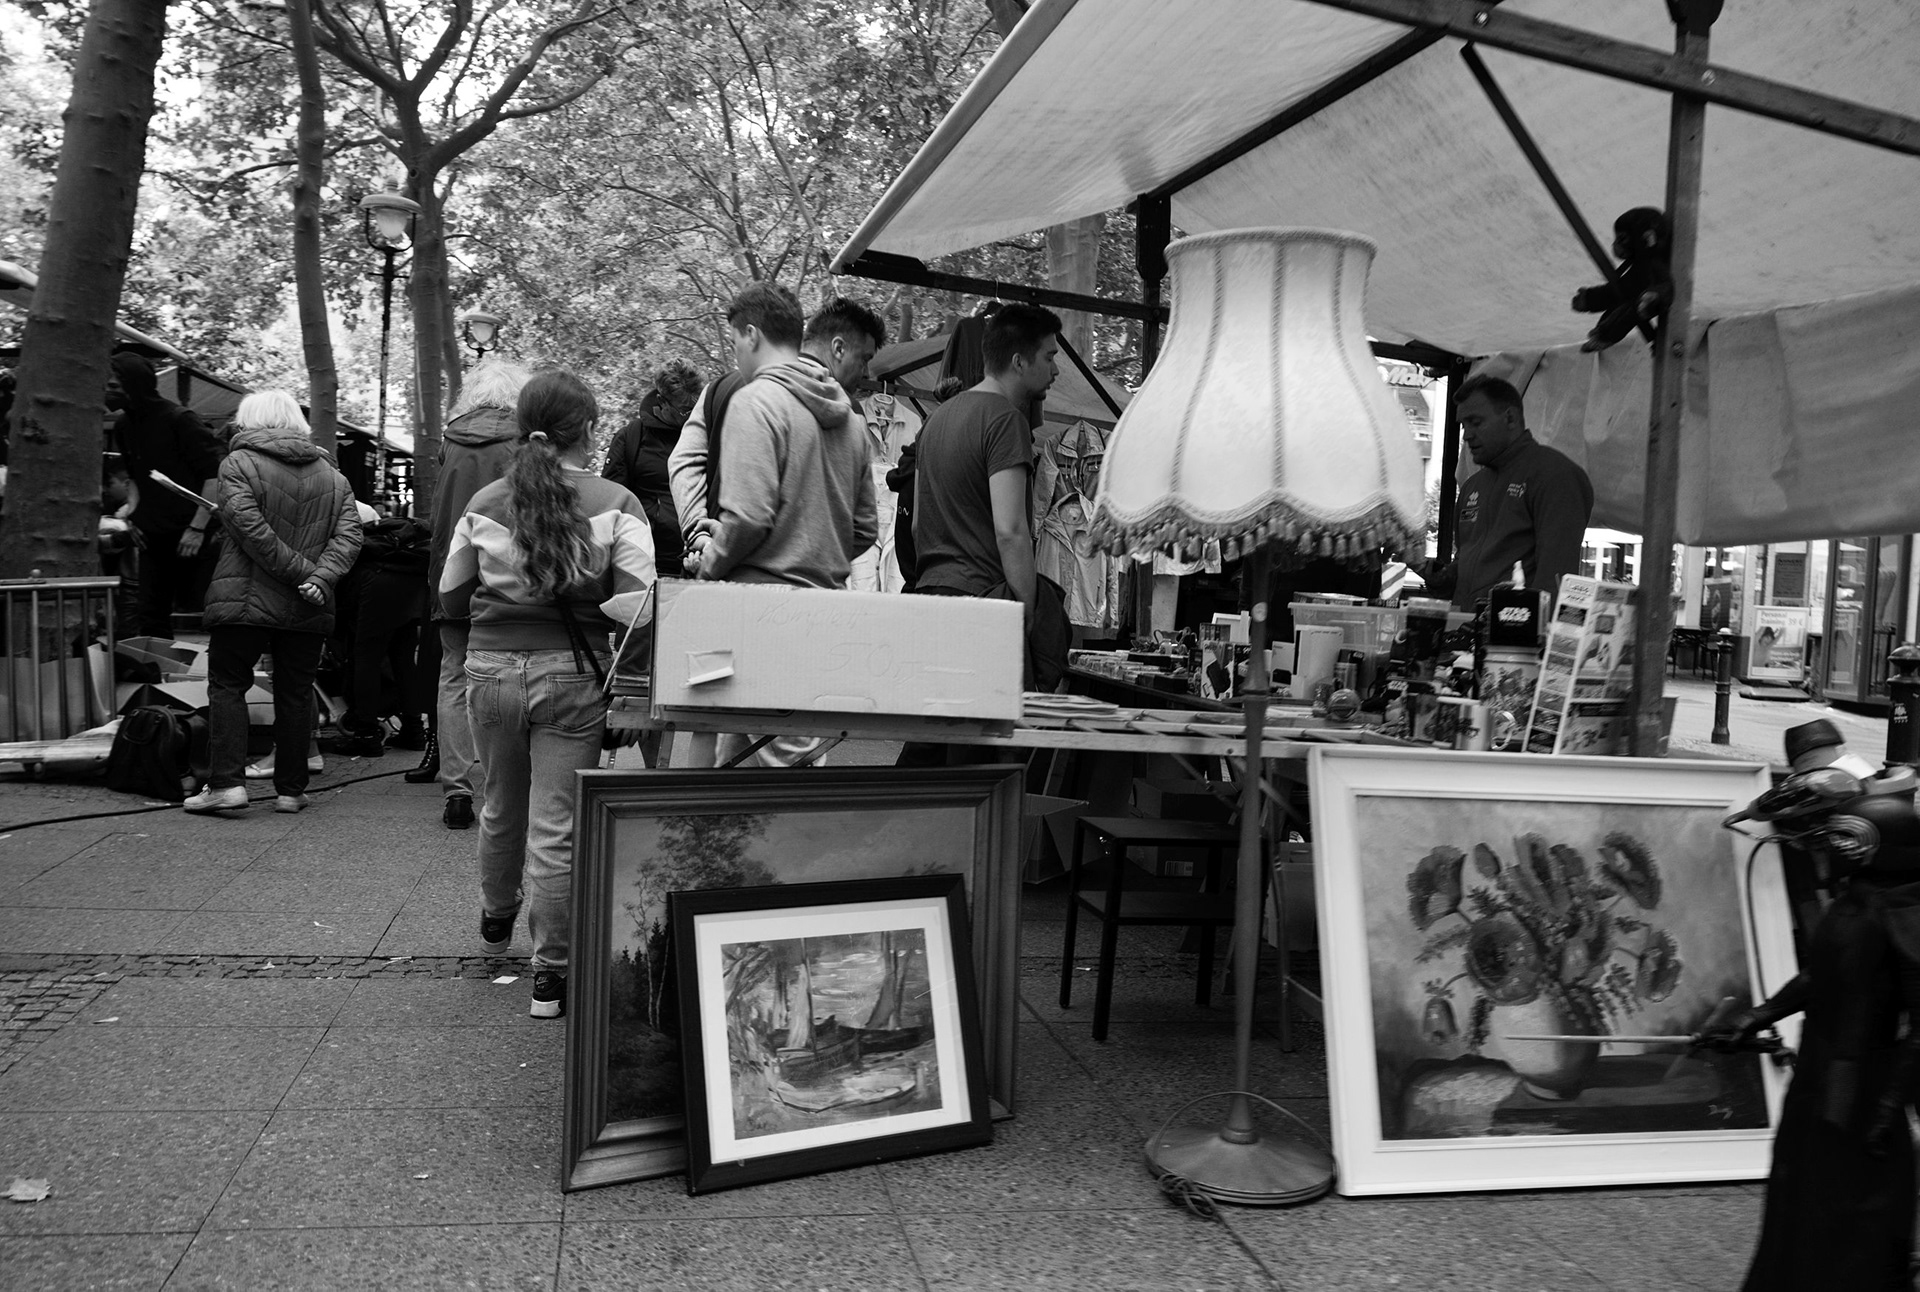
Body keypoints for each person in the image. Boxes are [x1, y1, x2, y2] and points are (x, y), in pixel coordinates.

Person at [439, 370, 654, 1019]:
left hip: (492, 671)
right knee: (557, 823)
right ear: (588, 431)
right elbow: (643, 607)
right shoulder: (619, 502)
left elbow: (450, 593)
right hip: (574, 677)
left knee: (501, 803)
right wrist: (634, 692)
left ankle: (495, 919)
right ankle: (550, 978)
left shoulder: (485, 501)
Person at [681, 286, 880, 768]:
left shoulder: (756, 403)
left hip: (758, 623)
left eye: (734, 343)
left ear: (751, 335)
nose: (736, 355)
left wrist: (713, 556)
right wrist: (811, 543)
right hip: (825, 618)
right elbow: (865, 529)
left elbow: (749, 517)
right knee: (780, 764)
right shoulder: (852, 424)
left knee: (768, 786)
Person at [183, 392, 361, 815]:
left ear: (250, 421)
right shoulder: (333, 476)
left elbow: (248, 529)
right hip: (308, 604)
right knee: (296, 693)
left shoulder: (238, 463)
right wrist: (318, 578)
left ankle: (226, 784)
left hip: (243, 597)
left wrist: (302, 574)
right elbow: (350, 536)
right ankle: (291, 790)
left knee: (228, 685)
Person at [422, 357, 531, 829]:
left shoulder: (450, 438)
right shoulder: (525, 440)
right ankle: (503, 783)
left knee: (453, 675)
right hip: (506, 570)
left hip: (451, 566)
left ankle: (457, 790)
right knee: (512, 671)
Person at [1426, 375, 1593, 612]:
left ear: (1510, 418)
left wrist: (1530, 640)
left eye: (1476, 422)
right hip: (1464, 635)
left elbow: (1556, 581)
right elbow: (1469, 567)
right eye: (1464, 425)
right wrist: (1441, 575)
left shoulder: (1555, 475)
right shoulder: (1472, 486)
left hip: (1513, 640)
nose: (1466, 435)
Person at [107, 352, 225, 639]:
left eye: (112, 385)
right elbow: (135, 478)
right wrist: (132, 516)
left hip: (196, 538)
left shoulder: (179, 420)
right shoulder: (123, 426)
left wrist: (197, 529)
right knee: (151, 615)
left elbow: (215, 475)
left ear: (134, 385)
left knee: (211, 613)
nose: (106, 392)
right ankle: (160, 678)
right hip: (152, 538)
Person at [602, 360, 701, 579]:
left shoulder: (705, 437)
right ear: (662, 402)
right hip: (647, 566)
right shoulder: (630, 438)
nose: (693, 416)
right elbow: (611, 506)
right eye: (685, 410)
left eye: (697, 407)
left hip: (698, 565)